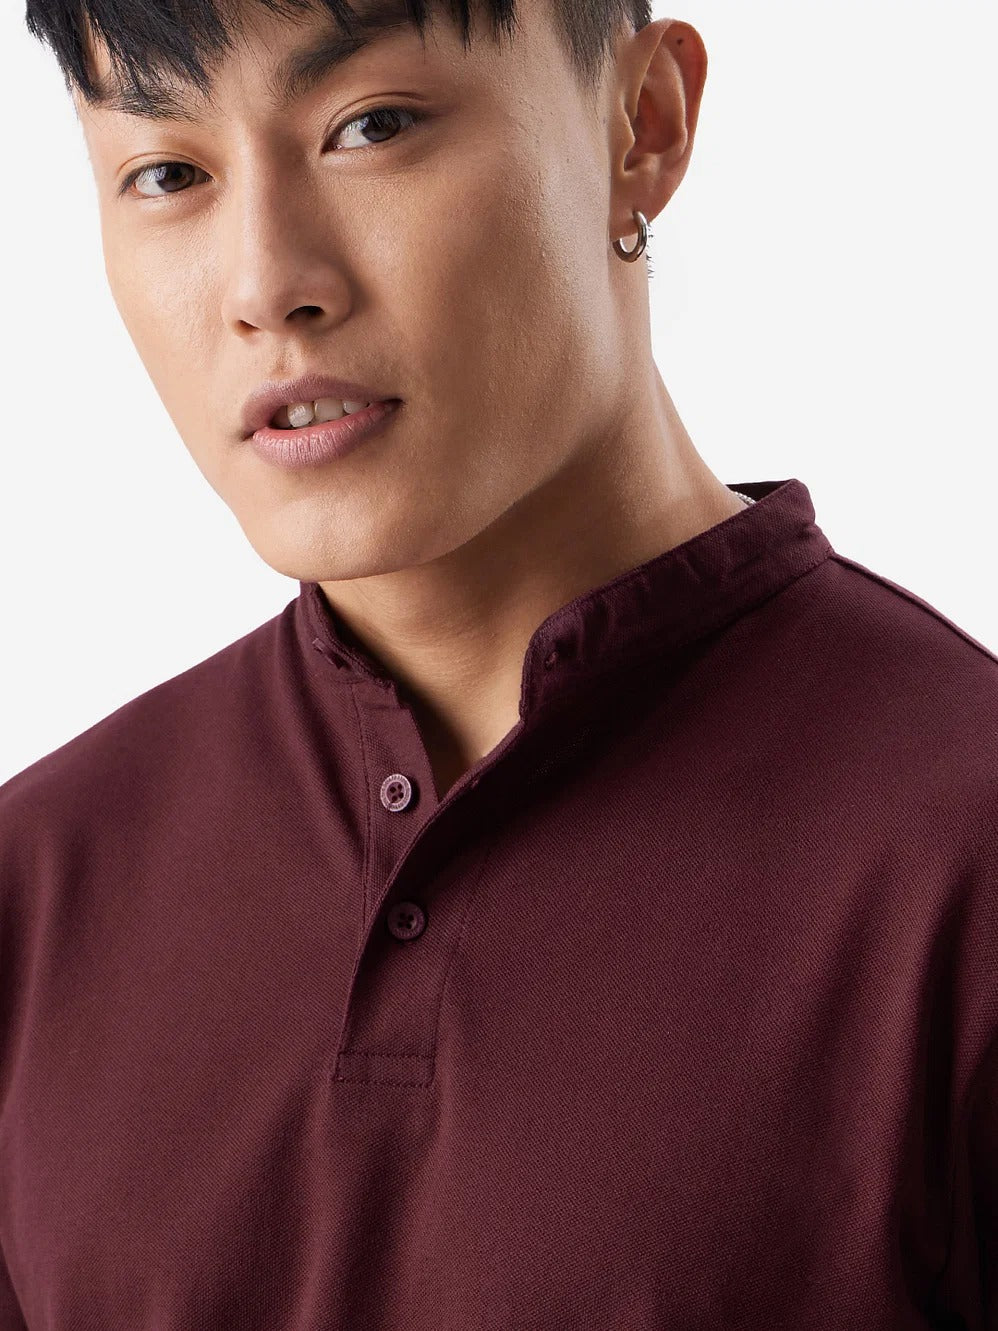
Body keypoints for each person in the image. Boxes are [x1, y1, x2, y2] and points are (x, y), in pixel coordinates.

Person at [1, 0, 994, 1326]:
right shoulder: (38, 884)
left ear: (640, 125)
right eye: (169, 172)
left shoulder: (960, 855)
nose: (265, 286)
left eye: (372, 127)